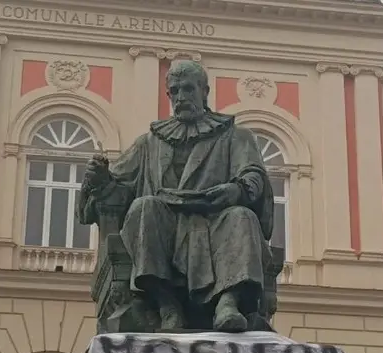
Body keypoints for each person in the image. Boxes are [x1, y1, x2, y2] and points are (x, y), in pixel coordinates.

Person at [79, 59, 275, 331]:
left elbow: (254, 174)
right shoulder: (150, 142)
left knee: (242, 217)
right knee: (143, 207)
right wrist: (101, 181)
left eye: (188, 89)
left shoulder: (235, 136)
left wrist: (236, 189)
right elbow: (120, 189)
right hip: (166, 224)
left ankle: (227, 303)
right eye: (175, 91)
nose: (181, 97)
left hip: (215, 218)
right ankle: (166, 306)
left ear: (204, 91)